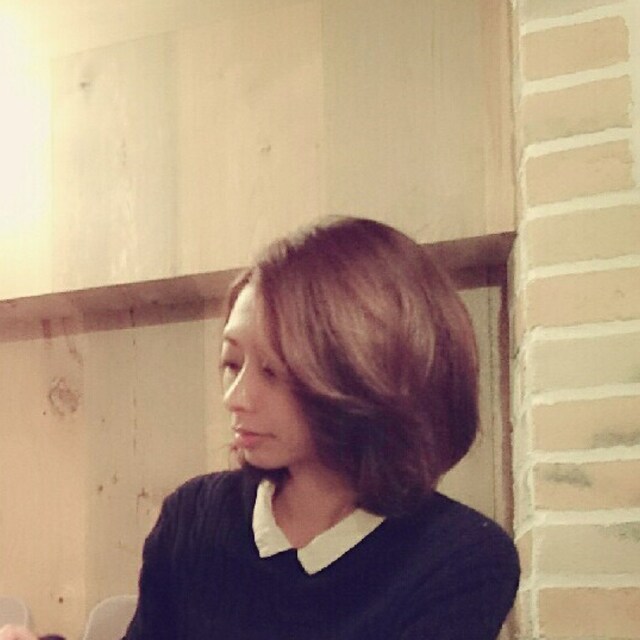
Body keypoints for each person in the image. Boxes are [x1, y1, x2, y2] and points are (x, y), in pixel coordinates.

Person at [123, 216, 520, 639]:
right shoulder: (192, 518)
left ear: (368, 375)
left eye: (274, 372)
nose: (236, 398)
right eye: (232, 364)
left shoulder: (460, 557)